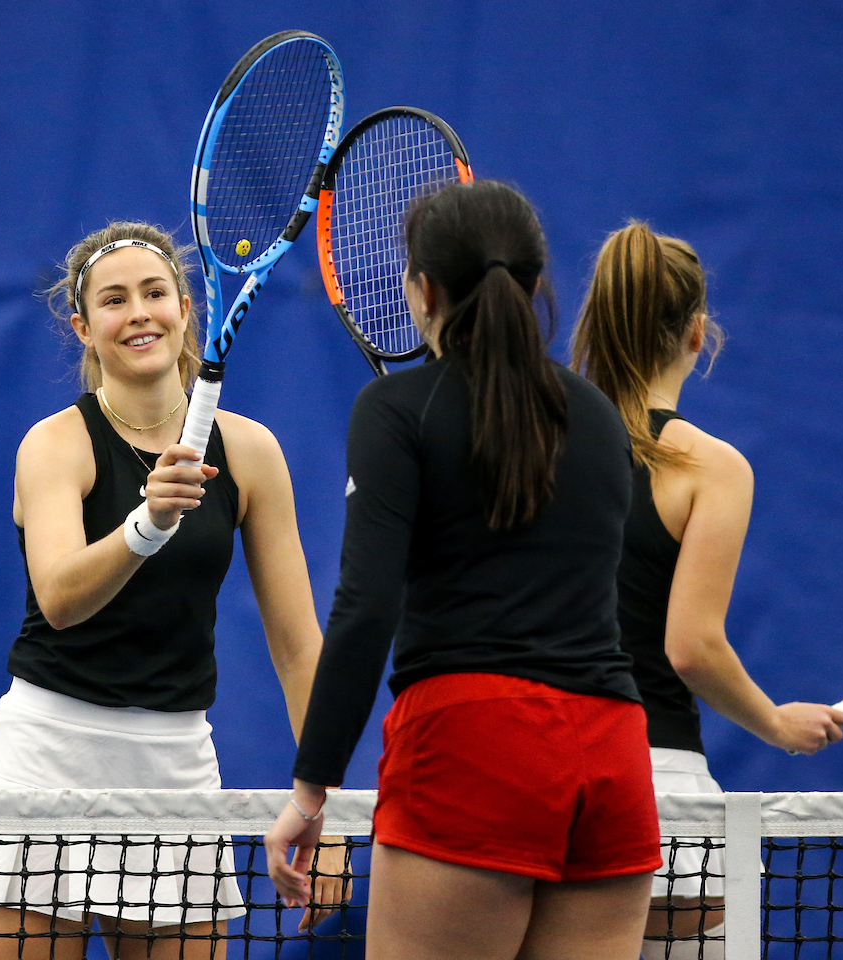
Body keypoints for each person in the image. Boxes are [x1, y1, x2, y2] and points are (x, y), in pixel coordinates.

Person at [265, 181, 662, 960]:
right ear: (535, 284)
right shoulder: (600, 416)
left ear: (423, 290)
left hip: (474, 747)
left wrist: (312, 788)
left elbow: (365, 607)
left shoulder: (394, 409)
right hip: (612, 758)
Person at [0, 221, 345, 960]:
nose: (139, 314)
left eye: (155, 293)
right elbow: (61, 598)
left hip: (176, 768)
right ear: (83, 327)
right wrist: (148, 522)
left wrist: (330, 803)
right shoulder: (54, 444)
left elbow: (297, 647)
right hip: (46, 761)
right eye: (114, 300)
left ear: (185, 309)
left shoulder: (251, 451)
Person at [570, 221, 843, 959]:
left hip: (541, 790)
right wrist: (775, 725)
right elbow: (691, 646)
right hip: (660, 799)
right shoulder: (713, 468)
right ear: (698, 335)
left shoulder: (531, 446)